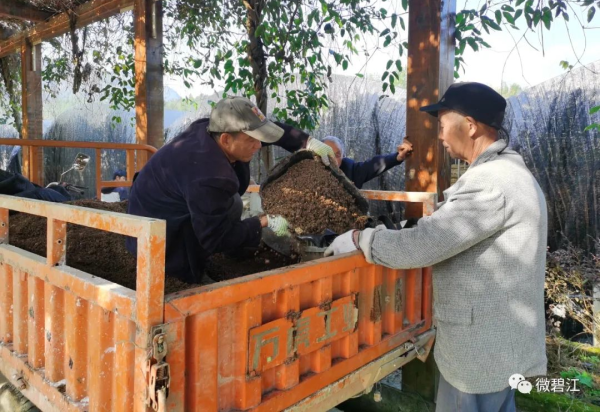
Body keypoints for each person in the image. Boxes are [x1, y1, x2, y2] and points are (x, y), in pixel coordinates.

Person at [325, 82, 547, 411]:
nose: (440, 135)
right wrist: (407, 227)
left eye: (443, 126)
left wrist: (361, 239)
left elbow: (425, 246)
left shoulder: (491, 182)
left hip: (479, 354)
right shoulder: (509, 172)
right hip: (501, 345)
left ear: (470, 126)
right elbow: (454, 230)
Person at [126, 96, 335, 283]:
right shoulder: (208, 176)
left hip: (164, 199)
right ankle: (189, 276)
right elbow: (214, 238)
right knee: (191, 264)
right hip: (156, 233)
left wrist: (307, 142)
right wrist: (265, 221)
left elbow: (265, 130)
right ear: (226, 139)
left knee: (233, 203)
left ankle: (234, 248)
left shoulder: (211, 130)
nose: (258, 145)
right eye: (251, 140)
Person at [322, 135, 413, 188]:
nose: (332, 159)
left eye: (337, 155)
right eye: (328, 153)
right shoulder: (310, 168)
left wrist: (397, 157)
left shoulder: (351, 170)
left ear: (343, 156)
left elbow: (373, 165)